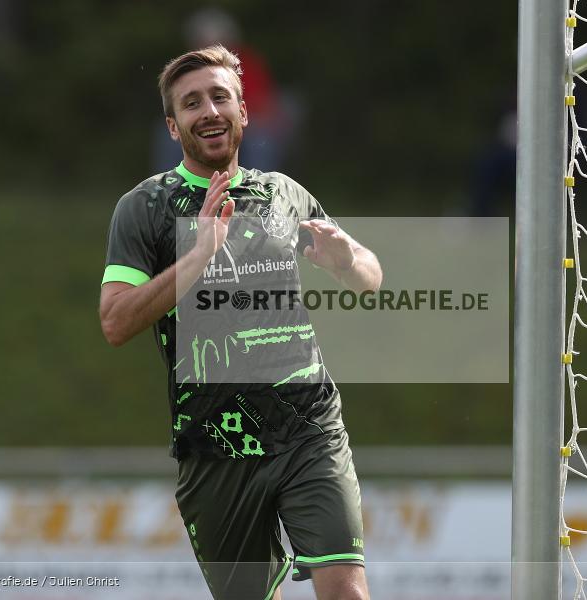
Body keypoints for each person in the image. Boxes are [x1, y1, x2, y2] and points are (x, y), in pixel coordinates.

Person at [99, 45, 380, 600]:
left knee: (346, 591)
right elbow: (115, 322)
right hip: (217, 447)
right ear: (173, 126)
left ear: (243, 112)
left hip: (309, 430)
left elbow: (371, 275)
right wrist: (198, 256)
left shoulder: (284, 193)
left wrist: (347, 259)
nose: (208, 110)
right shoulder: (145, 207)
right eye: (191, 102)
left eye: (219, 96)